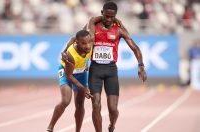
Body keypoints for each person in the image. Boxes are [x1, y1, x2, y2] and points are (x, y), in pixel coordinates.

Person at [62, 2, 147, 132]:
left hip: (111, 71)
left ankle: (112, 125)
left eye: (112, 17)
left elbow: (135, 47)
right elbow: (77, 35)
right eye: (106, 16)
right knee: (96, 105)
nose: (108, 20)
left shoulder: (119, 30)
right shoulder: (93, 27)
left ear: (115, 16)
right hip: (95, 70)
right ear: (102, 13)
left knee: (113, 109)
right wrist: (65, 50)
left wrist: (141, 66)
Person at [46, 30, 93, 132]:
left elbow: (92, 20)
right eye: (83, 43)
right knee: (66, 101)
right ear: (77, 42)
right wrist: (83, 88)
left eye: (89, 42)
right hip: (67, 72)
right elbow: (69, 76)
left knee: (80, 104)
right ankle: (50, 126)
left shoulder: (89, 41)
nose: (88, 46)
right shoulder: (70, 55)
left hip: (81, 72)